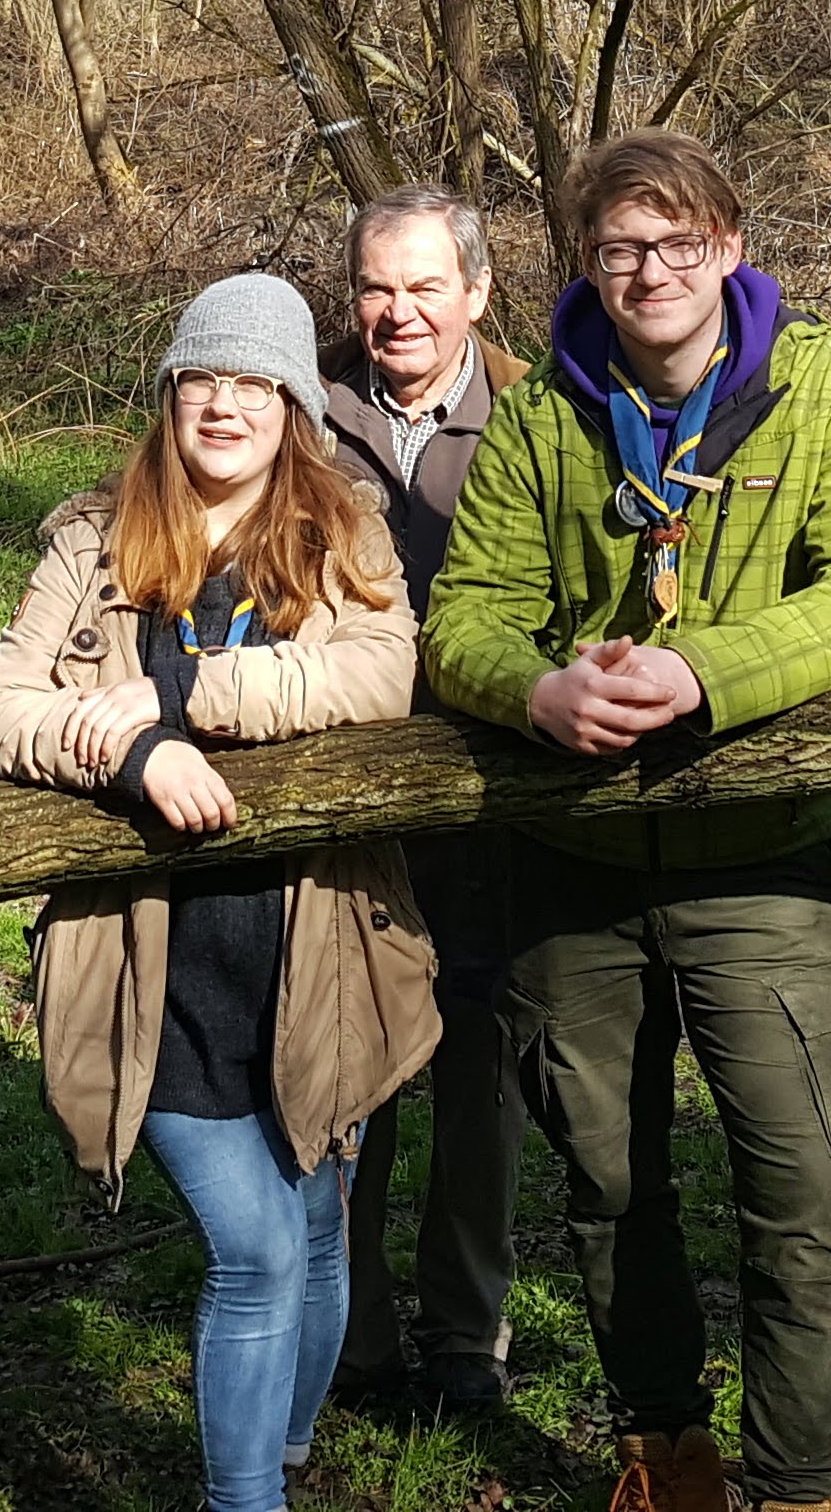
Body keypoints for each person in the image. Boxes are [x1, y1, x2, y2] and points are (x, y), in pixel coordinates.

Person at [427, 131, 831, 1512]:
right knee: (608, 1186)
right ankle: (664, 1457)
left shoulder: (822, 388)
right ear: (588, 265)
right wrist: (534, 689)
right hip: (572, 867)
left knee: (799, 1193)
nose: (650, 272)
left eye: (679, 243)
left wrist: (710, 672)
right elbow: (464, 611)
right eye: (620, 249)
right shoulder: (542, 414)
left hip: (759, 862)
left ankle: (803, 1483)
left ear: (732, 247)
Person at [0, 276, 437, 1512]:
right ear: (169, 394)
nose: (222, 405)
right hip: (148, 972)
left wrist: (189, 702)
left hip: (314, 951)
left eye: (252, 384)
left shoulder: (345, 537)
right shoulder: (90, 536)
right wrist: (128, 753)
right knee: (255, 1245)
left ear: (292, 406)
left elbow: (381, 677)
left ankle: (284, 1446)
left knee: (322, 1228)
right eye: (200, 379)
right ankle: (249, 1501)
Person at [310, 187, 542, 1418]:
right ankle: (349, 1333)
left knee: (478, 1060)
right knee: (348, 1061)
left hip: (488, 792)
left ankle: (466, 1336)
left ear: (474, 293)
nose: (395, 312)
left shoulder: (533, 410)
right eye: (374, 288)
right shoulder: (302, 406)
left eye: (421, 288)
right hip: (340, 797)